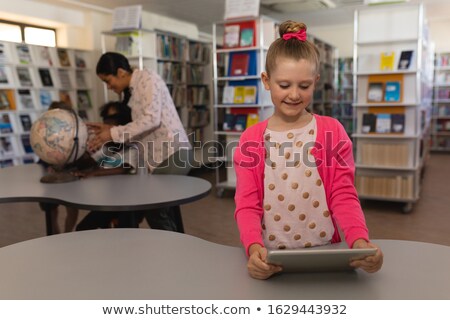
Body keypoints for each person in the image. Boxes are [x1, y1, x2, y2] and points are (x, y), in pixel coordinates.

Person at [233, 20, 383, 280]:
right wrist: (253, 248)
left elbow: (343, 193)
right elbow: (247, 204)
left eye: (303, 86)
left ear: (315, 82)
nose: (294, 94)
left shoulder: (331, 131)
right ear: (267, 81)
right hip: (272, 259)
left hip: (328, 253)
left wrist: (359, 240)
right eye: (284, 85)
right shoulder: (251, 139)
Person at [87, 52, 193, 231]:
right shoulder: (135, 89)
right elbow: (141, 127)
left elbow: (151, 120)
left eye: (107, 81)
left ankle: (173, 254)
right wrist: (108, 130)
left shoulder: (148, 79)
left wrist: (112, 133)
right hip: (164, 156)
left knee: (154, 210)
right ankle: (177, 250)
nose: (108, 87)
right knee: (164, 211)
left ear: (121, 72)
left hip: (172, 153)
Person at [74, 101, 138, 230]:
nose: (107, 125)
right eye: (105, 121)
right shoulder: (109, 147)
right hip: (108, 200)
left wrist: (93, 173)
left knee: (126, 233)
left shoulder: (133, 147)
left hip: (127, 203)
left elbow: (123, 168)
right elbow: (92, 161)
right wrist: (79, 151)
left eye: (112, 120)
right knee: (83, 228)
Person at [38, 101, 79, 233]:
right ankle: (55, 235)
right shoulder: (43, 131)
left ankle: (67, 234)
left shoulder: (74, 132)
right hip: (49, 174)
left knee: (72, 207)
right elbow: (41, 153)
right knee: (50, 209)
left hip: (70, 173)